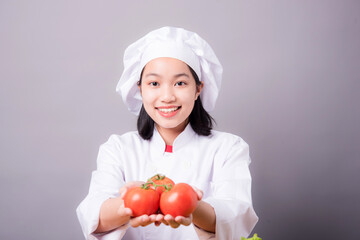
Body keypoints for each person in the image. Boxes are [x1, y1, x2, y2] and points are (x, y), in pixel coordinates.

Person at [76, 26, 258, 240]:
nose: (167, 96)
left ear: (198, 88)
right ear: (140, 88)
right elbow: (92, 214)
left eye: (180, 83)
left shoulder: (229, 148)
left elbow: (235, 215)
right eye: (154, 83)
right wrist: (131, 203)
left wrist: (191, 206)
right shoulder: (117, 148)